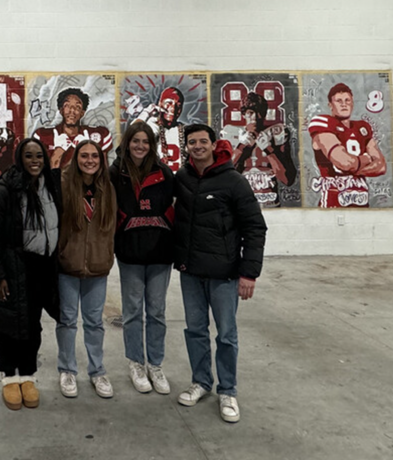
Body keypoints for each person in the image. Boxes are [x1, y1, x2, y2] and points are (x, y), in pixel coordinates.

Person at [173, 123, 267, 423]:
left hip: (225, 274)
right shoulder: (182, 178)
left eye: (203, 141)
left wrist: (249, 273)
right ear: (186, 147)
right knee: (195, 331)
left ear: (215, 145)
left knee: (226, 335)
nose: (197, 146)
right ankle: (201, 382)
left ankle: (228, 390)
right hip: (190, 272)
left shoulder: (234, 181)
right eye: (192, 142)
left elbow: (255, 227)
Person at [0, 137, 60, 411]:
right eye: (29, 156)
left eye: (39, 156)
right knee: (8, 323)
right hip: (13, 268)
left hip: (42, 268)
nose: (35, 161)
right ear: (19, 159)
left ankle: (28, 374)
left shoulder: (51, 186)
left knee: (32, 323)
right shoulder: (5, 192)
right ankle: (8, 376)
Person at [110, 122, 175, 395]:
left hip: (161, 253)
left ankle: (155, 364)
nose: (140, 146)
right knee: (133, 311)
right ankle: (136, 362)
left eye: (145, 141)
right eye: (135, 141)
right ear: (127, 143)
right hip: (130, 254)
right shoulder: (115, 173)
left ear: (152, 145)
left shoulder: (165, 173)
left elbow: (174, 209)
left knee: (157, 312)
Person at [55, 140, 117, 399]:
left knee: (94, 323)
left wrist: (105, 255)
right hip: (68, 266)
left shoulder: (108, 189)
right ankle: (67, 369)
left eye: (95, 156)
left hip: (98, 267)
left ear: (101, 160)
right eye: (84, 156)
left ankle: (97, 371)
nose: (90, 160)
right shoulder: (63, 186)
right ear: (76, 158)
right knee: (67, 321)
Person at [308, 83, 388, 208]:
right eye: (339, 101)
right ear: (330, 105)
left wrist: (354, 168)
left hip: (361, 202)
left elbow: (381, 166)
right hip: (333, 204)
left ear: (353, 103)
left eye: (347, 100)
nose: (344, 104)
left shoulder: (362, 128)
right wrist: (366, 159)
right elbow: (344, 162)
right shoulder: (323, 125)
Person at [220, 91, 297, 207]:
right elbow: (222, 176)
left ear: (265, 114)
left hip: (270, 204)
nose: (255, 117)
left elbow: (287, 180)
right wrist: (241, 148)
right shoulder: (233, 137)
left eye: (259, 112)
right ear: (243, 114)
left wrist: (268, 149)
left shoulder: (276, 137)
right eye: (250, 113)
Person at [32, 88, 113, 169]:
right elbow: (39, 174)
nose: (72, 110)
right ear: (61, 110)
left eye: (77, 107)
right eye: (67, 106)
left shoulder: (98, 134)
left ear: (82, 112)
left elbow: (103, 174)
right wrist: (59, 151)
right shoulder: (43, 135)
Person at [131, 87, 185, 171]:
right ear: (160, 103)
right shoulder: (152, 125)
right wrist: (146, 112)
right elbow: (131, 135)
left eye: (178, 105)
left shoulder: (185, 131)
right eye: (169, 103)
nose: (173, 109)